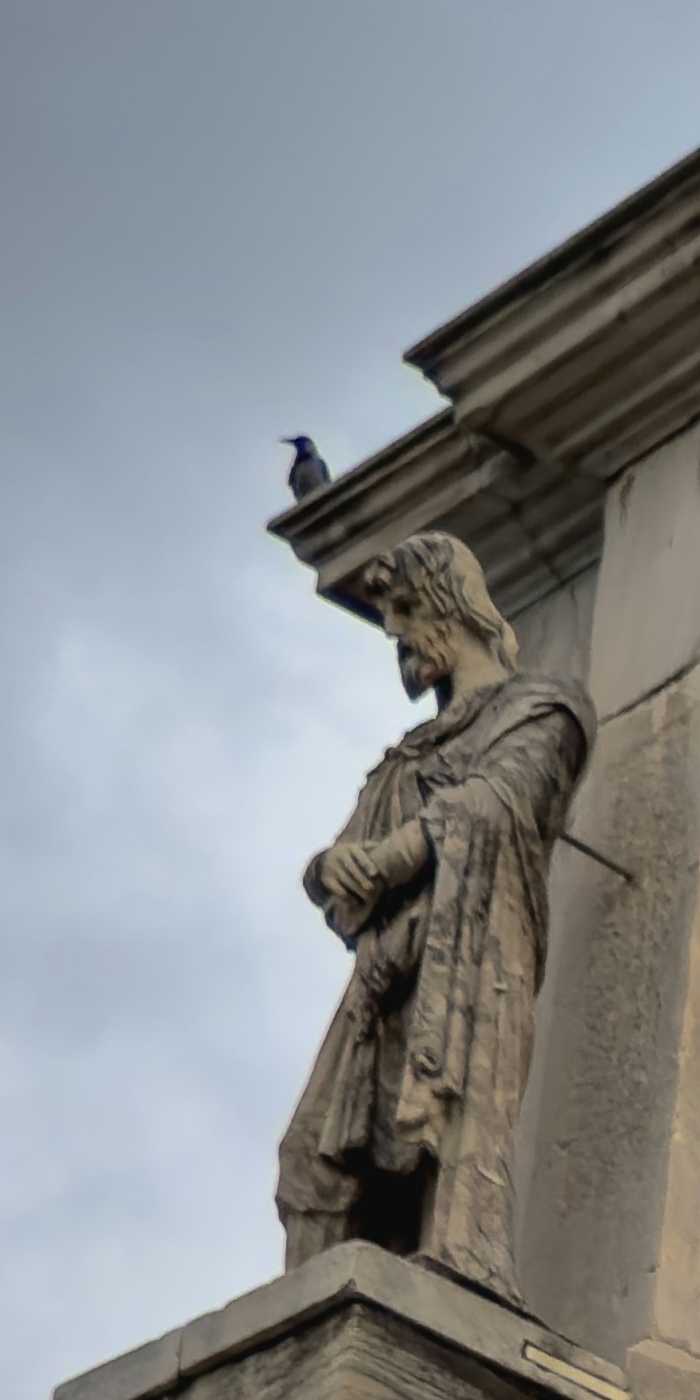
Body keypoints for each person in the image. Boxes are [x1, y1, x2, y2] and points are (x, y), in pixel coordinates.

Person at [269, 529, 591, 1292]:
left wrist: (392, 857)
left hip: (469, 971)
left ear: (451, 605)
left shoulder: (543, 710)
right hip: (381, 987)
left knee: (446, 1143)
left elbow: (500, 797)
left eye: (408, 613)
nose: (399, 634)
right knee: (309, 1164)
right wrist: (330, 869)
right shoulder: (409, 754)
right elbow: (337, 868)